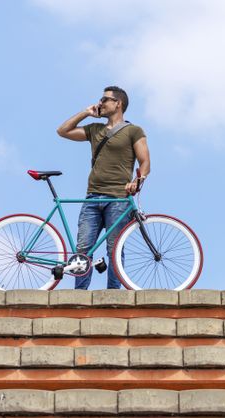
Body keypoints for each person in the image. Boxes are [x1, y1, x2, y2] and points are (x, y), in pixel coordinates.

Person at [56, 86, 151, 289]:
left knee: (114, 249)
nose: (101, 103)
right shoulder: (95, 129)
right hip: (92, 198)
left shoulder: (133, 131)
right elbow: (62, 131)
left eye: (105, 99)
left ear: (119, 103)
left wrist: (137, 181)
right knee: (83, 249)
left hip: (118, 197)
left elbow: (145, 163)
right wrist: (86, 112)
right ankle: (79, 295)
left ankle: (113, 295)